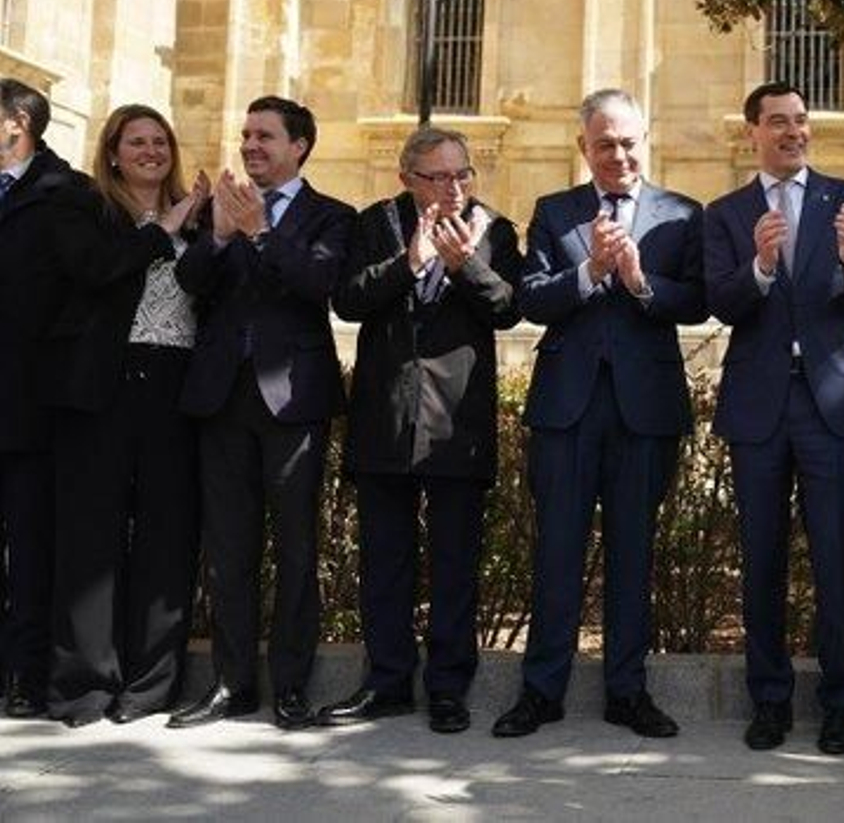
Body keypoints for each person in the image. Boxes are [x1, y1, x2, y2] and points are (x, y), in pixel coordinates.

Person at [493, 89, 707, 740]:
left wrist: (640, 280)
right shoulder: (554, 211)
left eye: (629, 142)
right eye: (605, 143)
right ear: (584, 148)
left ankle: (627, 692)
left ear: (646, 140)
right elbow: (531, 299)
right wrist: (588, 270)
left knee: (633, 554)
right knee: (556, 551)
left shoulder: (680, 214)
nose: (619, 154)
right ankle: (541, 692)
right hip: (568, 408)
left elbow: (697, 301)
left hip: (646, 409)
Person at [704, 81, 844, 756]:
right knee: (761, 560)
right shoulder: (726, 212)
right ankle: (770, 701)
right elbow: (718, 302)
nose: (793, 132)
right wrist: (758, 264)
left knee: (838, 558)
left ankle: (839, 703)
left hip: (830, 407)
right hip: (758, 408)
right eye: (778, 122)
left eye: (801, 121)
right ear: (752, 130)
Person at [321, 127, 521, 735]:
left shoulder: (495, 228)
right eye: (440, 177)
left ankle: (448, 688)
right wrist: (411, 262)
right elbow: (348, 301)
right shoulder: (375, 223)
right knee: (386, 561)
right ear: (408, 177)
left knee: (455, 562)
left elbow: (508, 307)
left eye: (463, 174)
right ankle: (386, 682)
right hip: (386, 417)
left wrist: (465, 267)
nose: (455, 188)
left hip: (457, 420)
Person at [168, 96, 355, 730]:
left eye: (265, 136)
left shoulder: (333, 215)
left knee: (297, 550)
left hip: (293, 399)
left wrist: (263, 235)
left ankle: (292, 687)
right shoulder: (223, 208)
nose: (250, 146)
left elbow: (318, 286)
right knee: (228, 549)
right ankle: (232, 684)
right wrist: (218, 233)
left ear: (299, 145)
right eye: (246, 135)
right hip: (221, 396)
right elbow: (191, 283)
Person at [43, 105, 208, 727]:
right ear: (112, 152)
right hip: (101, 385)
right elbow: (93, 270)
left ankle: (150, 685)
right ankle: (84, 684)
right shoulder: (86, 208)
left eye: (160, 140)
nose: (150, 151)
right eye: (136, 141)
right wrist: (160, 228)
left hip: (174, 385)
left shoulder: (201, 212)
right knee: (90, 537)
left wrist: (199, 230)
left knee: (168, 535)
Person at [0, 79, 87, 718]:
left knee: (31, 546)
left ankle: (28, 673)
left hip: (29, 400)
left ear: (18, 124)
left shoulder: (67, 193)